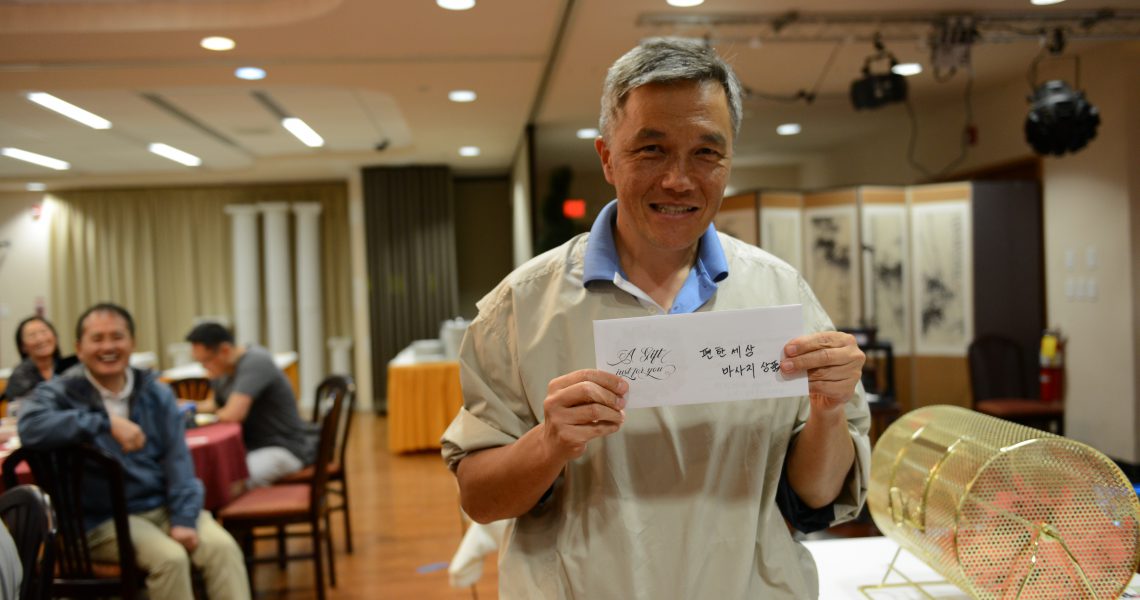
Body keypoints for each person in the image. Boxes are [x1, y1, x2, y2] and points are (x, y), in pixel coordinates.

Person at [441, 38, 871, 599]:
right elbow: (479, 498)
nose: (679, 180)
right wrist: (549, 443)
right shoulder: (520, 308)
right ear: (607, 158)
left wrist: (828, 411)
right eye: (652, 150)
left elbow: (816, 496)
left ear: (729, 160)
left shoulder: (780, 294)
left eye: (706, 153)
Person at [17, 303, 249, 600]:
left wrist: (183, 518)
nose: (108, 347)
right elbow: (30, 426)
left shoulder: (156, 393)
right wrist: (105, 423)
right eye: (97, 339)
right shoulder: (62, 391)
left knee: (223, 548)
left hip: (161, 506)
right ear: (79, 348)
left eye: (117, 337)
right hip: (101, 520)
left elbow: (178, 462)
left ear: (132, 343)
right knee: (171, 559)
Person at [185, 322, 317, 487]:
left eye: (206, 361)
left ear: (225, 350)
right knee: (208, 473)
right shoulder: (223, 370)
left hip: (284, 448)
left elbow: (233, 415)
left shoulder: (255, 362)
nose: (204, 368)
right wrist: (186, 406)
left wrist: (211, 415)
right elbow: (214, 404)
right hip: (254, 447)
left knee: (229, 481)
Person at [4, 316, 78, 411]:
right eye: (32, 335)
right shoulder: (20, 376)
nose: (40, 339)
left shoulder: (71, 366)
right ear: (23, 346)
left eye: (44, 332)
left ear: (55, 337)